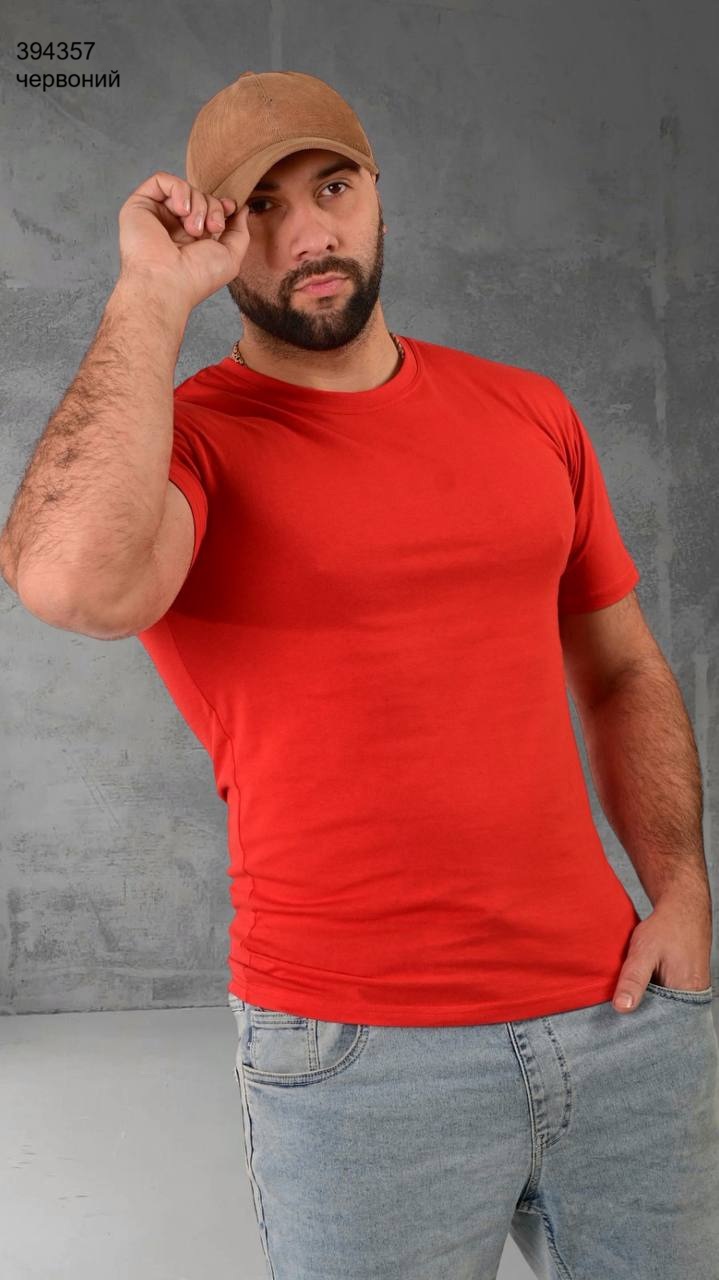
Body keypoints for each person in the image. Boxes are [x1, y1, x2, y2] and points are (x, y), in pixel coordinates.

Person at [1, 69, 717, 1280]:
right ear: (215, 235)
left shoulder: (527, 412)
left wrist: (682, 890)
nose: (306, 235)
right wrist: (149, 291)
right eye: (259, 208)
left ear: (377, 193)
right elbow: (71, 582)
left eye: (331, 188)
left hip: (619, 1018)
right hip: (359, 1061)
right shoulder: (192, 447)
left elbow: (620, 664)